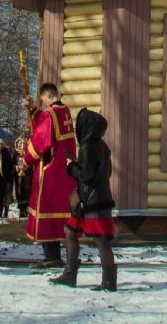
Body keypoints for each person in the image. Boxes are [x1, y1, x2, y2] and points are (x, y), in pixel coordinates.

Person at [52, 109, 117, 291]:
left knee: (101, 240)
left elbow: (86, 175)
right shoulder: (102, 146)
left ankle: (109, 282)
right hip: (90, 198)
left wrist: (71, 166)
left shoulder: (89, 146)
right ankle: (69, 275)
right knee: (70, 231)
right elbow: (105, 172)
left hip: (93, 201)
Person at [23, 83, 76, 268]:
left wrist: (26, 159)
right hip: (66, 172)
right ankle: (63, 255)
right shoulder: (65, 111)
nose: (43, 103)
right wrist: (33, 111)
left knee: (45, 211)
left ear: (47, 96)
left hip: (50, 172)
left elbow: (41, 141)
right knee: (60, 214)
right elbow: (49, 127)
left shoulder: (50, 114)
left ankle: (51, 256)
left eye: (43, 99)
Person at [0, 138, 16, 218]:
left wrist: (9, 180)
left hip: (3, 178)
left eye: (1, 144)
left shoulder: (6, 155)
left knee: (2, 196)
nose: (0, 146)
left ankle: (0, 212)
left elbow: (9, 168)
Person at [13, 138, 32, 220]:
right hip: (18, 176)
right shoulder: (15, 154)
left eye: (22, 143)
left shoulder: (28, 153)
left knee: (27, 191)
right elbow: (12, 164)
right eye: (19, 144)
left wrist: (27, 167)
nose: (21, 145)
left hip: (27, 175)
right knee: (19, 191)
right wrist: (16, 167)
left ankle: (27, 209)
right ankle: (21, 210)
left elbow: (31, 163)